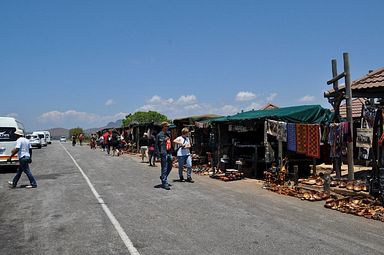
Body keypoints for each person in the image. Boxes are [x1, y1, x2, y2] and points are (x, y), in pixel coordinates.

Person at [156, 122, 173, 190]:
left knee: (170, 166)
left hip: (169, 152)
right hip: (163, 153)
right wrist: (158, 155)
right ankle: (164, 182)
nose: (168, 127)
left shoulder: (168, 134)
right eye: (167, 126)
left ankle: (163, 176)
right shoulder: (159, 135)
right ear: (163, 126)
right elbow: (156, 145)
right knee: (164, 168)